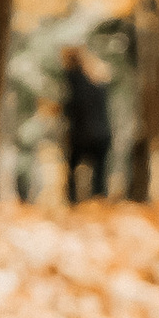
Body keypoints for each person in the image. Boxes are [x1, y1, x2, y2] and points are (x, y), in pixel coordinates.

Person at [61, 45, 112, 203]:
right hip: (102, 133)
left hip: (82, 134)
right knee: (99, 177)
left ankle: (74, 205)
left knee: (72, 172)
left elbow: (73, 106)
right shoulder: (98, 81)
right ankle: (98, 205)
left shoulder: (73, 77)